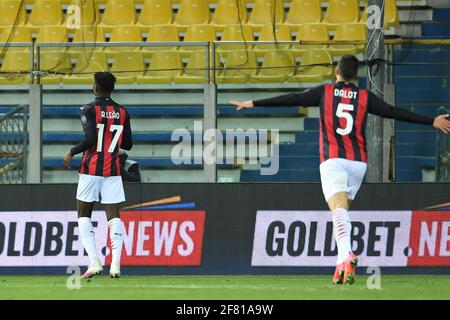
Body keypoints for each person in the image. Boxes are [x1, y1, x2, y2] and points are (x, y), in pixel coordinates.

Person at [231, 55, 450, 285]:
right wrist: (431, 121)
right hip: (358, 164)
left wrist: (253, 103)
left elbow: (291, 98)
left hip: (333, 160)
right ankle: (339, 266)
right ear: (357, 75)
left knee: (337, 212)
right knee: (341, 212)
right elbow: (393, 112)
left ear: (336, 71)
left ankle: (347, 254)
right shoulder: (365, 96)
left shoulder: (324, 93)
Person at [64, 72, 133, 279]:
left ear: (95, 87)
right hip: (112, 169)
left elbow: (91, 137)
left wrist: (72, 151)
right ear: (112, 89)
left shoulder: (88, 109)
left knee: (83, 214)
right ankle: (116, 265)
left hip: (90, 169)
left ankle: (94, 263)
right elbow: (128, 144)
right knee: (114, 216)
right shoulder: (122, 111)